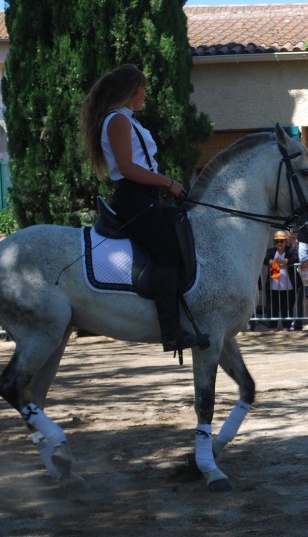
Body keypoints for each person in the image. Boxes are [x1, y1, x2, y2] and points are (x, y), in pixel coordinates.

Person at [80, 63, 205, 352]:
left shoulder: (127, 120)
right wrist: (169, 182)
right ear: (131, 92)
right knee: (168, 252)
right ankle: (171, 331)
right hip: (134, 197)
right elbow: (128, 168)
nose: (146, 95)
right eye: (142, 90)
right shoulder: (118, 121)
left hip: (147, 196)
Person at [264, 231, 298, 331]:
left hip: (288, 286)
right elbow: (264, 258)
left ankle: (286, 326)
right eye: (277, 242)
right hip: (273, 285)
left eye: (281, 241)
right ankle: (272, 326)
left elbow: (296, 258)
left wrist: (285, 261)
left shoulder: (291, 250)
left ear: (285, 242)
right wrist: (271, 262)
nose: (279, 244)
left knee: (287, 307)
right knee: (272, 307)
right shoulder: (270, 251)